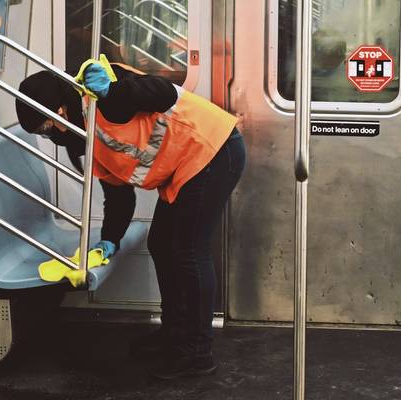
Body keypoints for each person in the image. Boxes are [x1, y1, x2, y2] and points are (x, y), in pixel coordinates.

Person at [15, 59, 245, 379]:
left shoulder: (103, 98)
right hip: (186, 165)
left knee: (189, 251)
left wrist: (112, 92)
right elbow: (119, 196)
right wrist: (110, 238)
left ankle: (197, 352)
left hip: (212, 150)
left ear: (59, 112)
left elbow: (163, 92)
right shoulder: (89, 137)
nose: (48, 135)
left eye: (43, 127)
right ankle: (175, 335)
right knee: (162, 244)